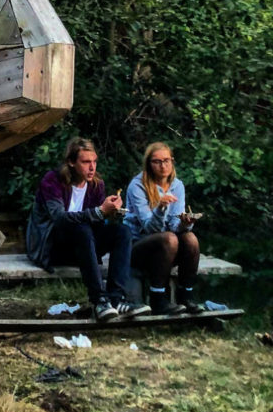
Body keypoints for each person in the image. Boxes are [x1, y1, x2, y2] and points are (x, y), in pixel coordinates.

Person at [26, 137, 150, 321]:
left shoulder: (96, 185)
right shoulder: (53, 180)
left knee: (122, 231)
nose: (92, 167)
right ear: (71, 162)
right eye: (85, 162)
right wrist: (100, 212)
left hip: (83, 247)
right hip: (52, 249)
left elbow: (97, 225)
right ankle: (99, 300)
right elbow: (59, 219)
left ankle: (117, 299)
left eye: (94, 161)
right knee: (81, 228)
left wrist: (111, 213)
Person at [125, 142, 202, 314]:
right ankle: (158, 298)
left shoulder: (177, 185)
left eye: (166, 160)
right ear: (149, 164)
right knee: (169, 238)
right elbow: (149, 228)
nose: (163, 166)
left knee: (190, 239)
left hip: (166, 249)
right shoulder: (137, 186)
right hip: (137, 247)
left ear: (172, 161)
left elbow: (174, 225)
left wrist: (185, 223)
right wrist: (160, 208)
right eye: (157, 161)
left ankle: (186, 296)